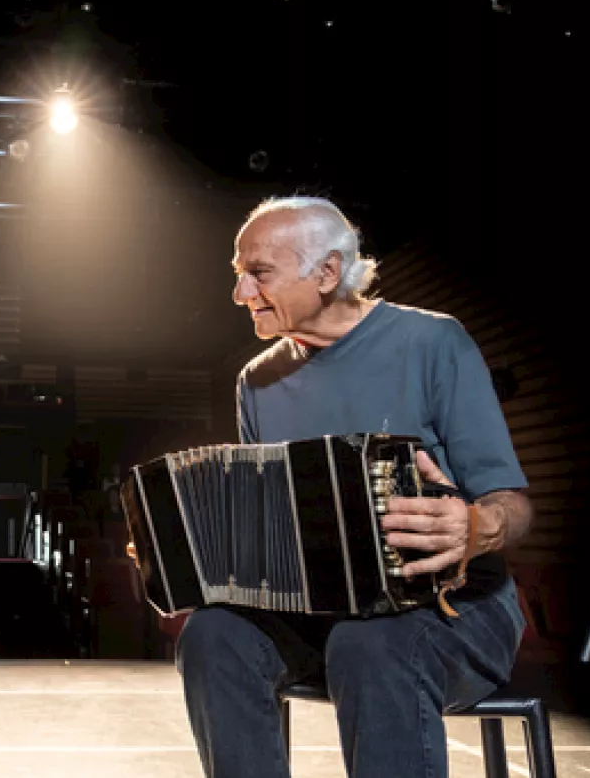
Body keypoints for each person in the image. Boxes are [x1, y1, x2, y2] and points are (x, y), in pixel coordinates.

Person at [174, 196, 534, 777]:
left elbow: (513, 506)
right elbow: (265, 527)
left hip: (454, 615)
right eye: (239, 275)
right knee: (212, 636)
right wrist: (183, 547)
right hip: (320, 616)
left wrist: (476, 524)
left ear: (326, 272)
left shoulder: (434, 343)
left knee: (369, 643)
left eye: (259, 274)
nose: (241, 293)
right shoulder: (256, 381)